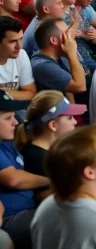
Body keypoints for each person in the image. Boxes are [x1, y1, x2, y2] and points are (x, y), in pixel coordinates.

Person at [15, 91, 86, 197]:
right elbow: (45, 198)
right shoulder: (38, 158)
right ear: (53, 125)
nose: (75, 122)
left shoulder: (50, 151)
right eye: (69, 118)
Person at [0, 90, 47, 248]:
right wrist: (54, 180)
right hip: (12, 218)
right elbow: (13, 179)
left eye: (14, 116)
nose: (15, 122)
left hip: (30, 209)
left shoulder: (7, 143)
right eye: (8, 118)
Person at [30, 18, 87, 95]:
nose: (72, 37)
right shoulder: (43, 66)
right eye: (67, 33)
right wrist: (72, 53)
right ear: (54, 40)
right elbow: (80, 87)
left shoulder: (59, 56)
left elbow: (67, 84)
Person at [0, 17, 37, 102]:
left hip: (14, 105)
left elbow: (31, 93)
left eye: (20, 39)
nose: (19, 46)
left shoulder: (21, 55)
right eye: (12, 41)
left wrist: (2, 94)